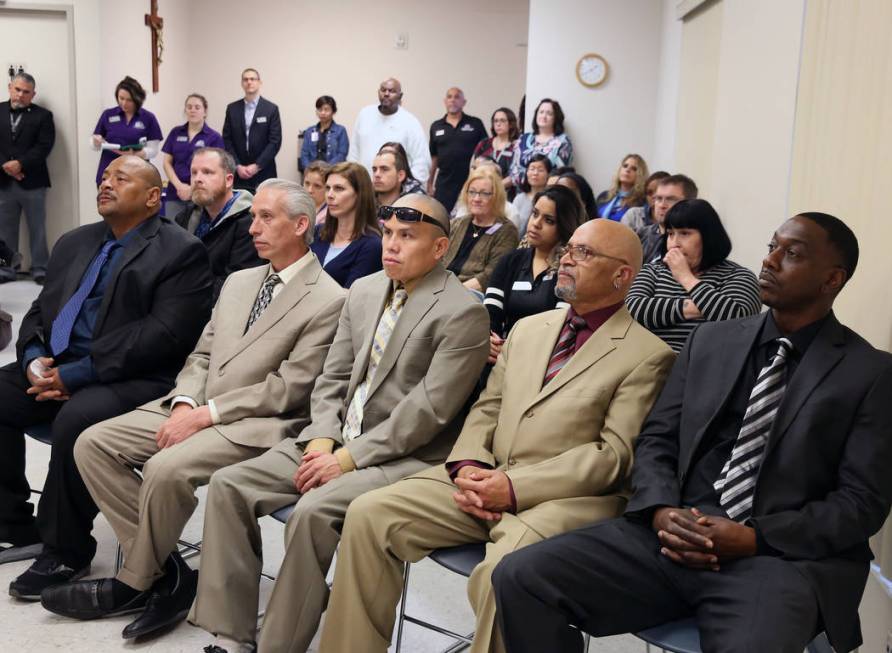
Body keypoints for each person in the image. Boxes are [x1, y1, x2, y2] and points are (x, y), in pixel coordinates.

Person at [493, 213, 892, 653]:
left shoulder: (869, 374)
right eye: (771, 247)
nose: (770, 261)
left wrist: (755, 537)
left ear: (832, 279)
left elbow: (860, 505)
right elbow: (658, 440)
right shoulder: (711, 341)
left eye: (791, 254)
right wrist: (661, 510)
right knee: (520, 577)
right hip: (670, 534)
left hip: (775, 559)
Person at [317, 219, 675, 653]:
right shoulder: (530, 328)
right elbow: (488, 407)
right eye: (569, 248)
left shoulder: (648, 354)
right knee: (369, 514)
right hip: (485, 476)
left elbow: (612, 457)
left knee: (503, 574)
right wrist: (470, 465)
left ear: (622, 275)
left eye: (584, 253)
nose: (566, 259)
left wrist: (513, 487)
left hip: (562, 499)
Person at [40, 180, 346, 640]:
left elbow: (290, 388)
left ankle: (135, 581)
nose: (253, 228)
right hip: (193, 401)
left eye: (266, 218)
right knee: (92, 443)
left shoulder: (329, 298)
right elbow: (201, 354)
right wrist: (185, 400)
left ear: (302, 225)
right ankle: (170, 574)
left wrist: (207, 414)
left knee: (165, 469)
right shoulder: (242, 281)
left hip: (255, 423)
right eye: (253, 216)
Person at [188, 193, 491, 653]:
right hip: (332, 440)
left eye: (407, 237)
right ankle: (233, 634)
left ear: (440, 248)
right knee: (230, 486)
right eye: (388, 234)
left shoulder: (463, 312)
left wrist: (347, 458)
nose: (391, 245)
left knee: (312, 513)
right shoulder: (366, 290)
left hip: (400, 457)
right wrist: (323, 439)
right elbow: (331, 376)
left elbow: (427, 413)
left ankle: (278, 645)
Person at [0, 156, 212, 596]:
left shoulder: (181, 251)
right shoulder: (75, 241)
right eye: (104, 177)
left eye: (121, 178)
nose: (106, 183)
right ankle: (18, 525)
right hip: (62, 365)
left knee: (75, 419)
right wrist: (35, 358)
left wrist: (76, 376)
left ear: (153, 197)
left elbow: (163, 336)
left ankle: (66, 551)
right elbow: (42, 309)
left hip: (135, 377)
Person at [627, 199, 761, 353]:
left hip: (705, 367)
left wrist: (686, 278)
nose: (674, 243)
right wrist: (694, 307)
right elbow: (631, 311)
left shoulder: (738, 276)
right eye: (670, 234)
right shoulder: (653, 271)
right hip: (648, 364)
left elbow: (739, 320)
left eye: (684, 233)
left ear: (708, 236)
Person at [485, 185, 583, 361]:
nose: (536, 224)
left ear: (564, 225)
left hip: (541, 358)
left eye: (549, 220)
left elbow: (559, 327)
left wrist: (512, 350)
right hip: (499, 355)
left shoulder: (569, 269)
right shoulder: (511, 261)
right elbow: (491, 312)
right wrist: (491, 340)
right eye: (535, 213)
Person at [171, 147, 263, 299]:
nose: (197, 179)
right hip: (185, 303)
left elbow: (236, 285)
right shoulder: (184, 217)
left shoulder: (250, 222)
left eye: (207, 172)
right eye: (194, 172)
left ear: (228, 180)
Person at [0, 72, 55, 285]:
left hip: (33, 182)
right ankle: (6, 269)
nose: (21, 95)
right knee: (5, 228)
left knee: (37, 227)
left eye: (26, 92)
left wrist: (20, 164)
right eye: (17, 89)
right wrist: (7, 166)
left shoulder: (43, 116)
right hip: (3, 181)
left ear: (33, 94)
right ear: (9, 88)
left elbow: (44, 147)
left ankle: (40, 267)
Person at [445, 166, 519, 294]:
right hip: (441, 288)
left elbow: (490, 276)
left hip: (471, 296)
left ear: (496, 197)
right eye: (472, 192)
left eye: (484, 193)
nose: (476, 199)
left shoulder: (507, 231)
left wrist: (451, 293)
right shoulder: (456, 224)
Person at [310, 161, 382, 288]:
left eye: (339, 188)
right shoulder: (318, 232)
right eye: (327, 188)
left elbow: (350, 297)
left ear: (360, 194)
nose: (330, 195)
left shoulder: (372, 245)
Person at [347, 77, 431, 185]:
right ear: (378, 92)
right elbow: (354, 153)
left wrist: (407, 189)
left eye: (392, 91)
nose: (386, 94)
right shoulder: (365, 114)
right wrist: (354, 181)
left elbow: (422, 161)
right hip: (365, 187)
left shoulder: (410, 122)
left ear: (400, 96)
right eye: (383, 90)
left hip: (396, 193)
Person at [160, 93, 225, 219]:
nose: (192, 110)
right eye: (189, 107)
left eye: (197, 107)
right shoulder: (176, 132)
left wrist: (192, 189)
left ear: (205, 112)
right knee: (173, 232)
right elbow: (167, 162)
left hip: (201, 193)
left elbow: (217, 169)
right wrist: (179, 186)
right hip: (175, 193)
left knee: (195, 232)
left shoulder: (214, 137)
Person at [91, 76, 163, 186]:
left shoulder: (148, 118)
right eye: (121, 98)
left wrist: (136, 154)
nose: (124, 103)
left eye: (129, 100)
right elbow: (95, 145)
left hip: (136, 174)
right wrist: (95, 142)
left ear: (137, 99)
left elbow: (153, 150)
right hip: (109, 174)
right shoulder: (108, 115)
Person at [428, 87, 487, 213]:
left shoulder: (475, 124)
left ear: (464, 102)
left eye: (457, 97)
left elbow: (485, 154)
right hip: (444, 184)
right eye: (449, 97)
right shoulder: (436, 126)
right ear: (445, 101)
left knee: (466, 218)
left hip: (469, 183)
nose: (453, 100)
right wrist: (429, 184)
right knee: (441, 218)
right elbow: (434, 157)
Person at [222, 68, 282, 192]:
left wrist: (257, 166)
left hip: (265, 171)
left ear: (259, 82)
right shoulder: (232, 109)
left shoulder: (271, 109)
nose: (249, 82)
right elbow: (227, 140)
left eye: (252, 79)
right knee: (241, 209)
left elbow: (275, 142)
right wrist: (237, 166)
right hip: (239, 172)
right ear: (242, 83)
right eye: (245, 79)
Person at [510, 98, 572, 188]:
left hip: (548, 194)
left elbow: (560, 173)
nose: (544, 116)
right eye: (541, 112)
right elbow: (514, 170)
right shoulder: (523, 138)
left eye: (549, 113)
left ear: (556, 117)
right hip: (521, 192)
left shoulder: (562, 142)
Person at [639, 173, 698, 263]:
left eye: (671, 199)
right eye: (658, 199)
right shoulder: (640, 236)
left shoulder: (695, 243)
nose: (662, 205)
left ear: (689, 203)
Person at [472, 107, 520, 196]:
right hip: (482, 193)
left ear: (511, 124)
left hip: (507, 194)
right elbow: (474, 168)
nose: (498, 124)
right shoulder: (484, 144)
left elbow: (516, 174)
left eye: (502, 121)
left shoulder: (517, 146)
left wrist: (494, 188)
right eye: (496, 121)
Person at [298, 95, 348, 172]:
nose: (322, 113)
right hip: (312, 173)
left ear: (333, 111)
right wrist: (309, 170)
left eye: (326, 110)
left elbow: (342, 154)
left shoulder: (340, 130)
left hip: (332, 172)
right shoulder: (309, 131)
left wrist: (326, 169)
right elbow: (304, 154)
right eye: (319, 109)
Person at [596, 153, 649, 221]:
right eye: (625, 166)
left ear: (640, 175)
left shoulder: (642, 203)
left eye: (634, 169)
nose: (627, 170)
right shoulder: (604, 195)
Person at [510, 154, 552, 236]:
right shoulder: (519, 198)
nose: (535, 173)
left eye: (540, 170)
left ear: (548, 174)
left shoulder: (550, 200)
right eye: (532, 169)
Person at [622, 170, 670, 236]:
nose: (654, 196)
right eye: (650, 192)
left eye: (659, 191)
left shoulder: (677, 217)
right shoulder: (633, 215)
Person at [302, 160, 330, 225]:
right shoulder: (296, 206)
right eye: (307, 183)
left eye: (317, 186)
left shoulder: (330, 215)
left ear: (328, 188)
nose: (310, 190)